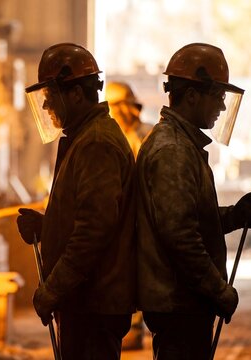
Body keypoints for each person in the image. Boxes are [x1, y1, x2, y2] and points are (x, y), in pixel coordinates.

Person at [134, 43, 251, 359]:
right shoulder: (174, 152)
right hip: (179, 304)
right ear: (192, 95)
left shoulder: (181, 146)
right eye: (217, 95)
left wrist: (235, 216)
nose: (221, 106)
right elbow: (180, 238)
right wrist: (219, 291)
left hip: (181, 302)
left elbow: (188, 218)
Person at [17, 42, 137, 359]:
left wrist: (53, 289)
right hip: (86, 302)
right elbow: (86, 218)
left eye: (50, 96)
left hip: (94, 305)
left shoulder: (96, 142)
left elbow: (93, 232)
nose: (45, 107)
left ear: (76, 94)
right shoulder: (85, 138)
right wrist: (48, 227)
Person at [105, 81, 152, 351]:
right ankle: (129, 330)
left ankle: (134, 331)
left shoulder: (144, 137)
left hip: (139, 220)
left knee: (137, 275)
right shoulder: (112, 138)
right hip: (122, 220)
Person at [105, 81, 153, 155]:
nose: (124, 109)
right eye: (115, 105)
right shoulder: (105, 137)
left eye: (127, 103)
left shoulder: (148, 132)